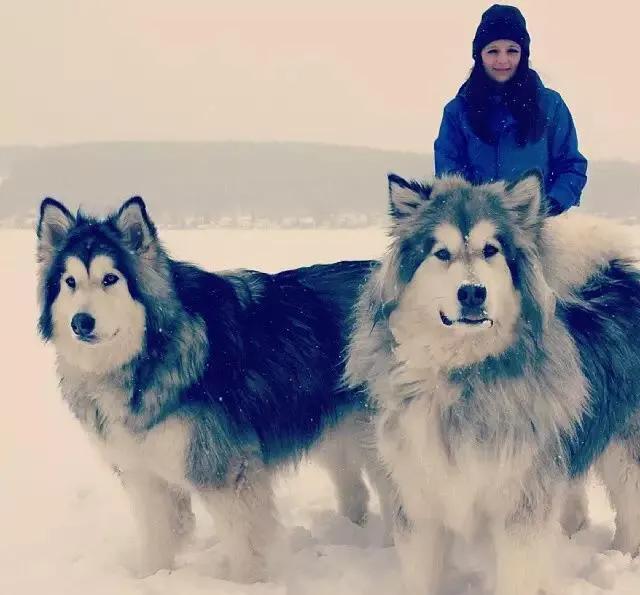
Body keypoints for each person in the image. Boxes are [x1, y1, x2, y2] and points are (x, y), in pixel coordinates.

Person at [434, 4, 587, 215]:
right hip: (480, 227)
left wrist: (549, 206)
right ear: (479, 56)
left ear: (523, 54)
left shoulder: (551, 105)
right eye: (493, 51)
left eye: (512, 51)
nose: (503, 60)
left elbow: (571, 166)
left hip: (539, 225)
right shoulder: (457, 112)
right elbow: (449, 175)